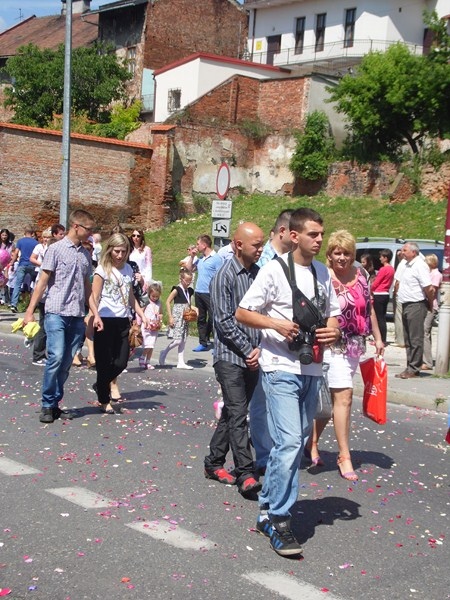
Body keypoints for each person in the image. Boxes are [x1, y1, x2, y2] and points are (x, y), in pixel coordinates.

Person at [236, 207, 341, 557]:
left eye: (321, 234)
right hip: (279, 366)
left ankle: (267, 509)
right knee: (290, 442)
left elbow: (333, 316)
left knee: (294, 446)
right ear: (294, 236)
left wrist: (332, 331)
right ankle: (280, 519)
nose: (320, 239)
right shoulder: (274, 270)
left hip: (311, 368)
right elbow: (242, 312)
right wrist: (276, 324)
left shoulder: (323, 272)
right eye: (313, 234)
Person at [305, 230, 384, 480]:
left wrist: (378, 338)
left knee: (332, 403)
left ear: (353, 255)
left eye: (346, 253)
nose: (342, 257)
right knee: (344, 397)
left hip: (354, 346)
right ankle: (344, 456)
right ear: (329, 255)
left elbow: (369, 308)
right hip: (331, 345)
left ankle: (312, 442)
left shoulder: (361, 275)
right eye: (337, 253)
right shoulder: (323, 277)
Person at [204, 222, 264, 498]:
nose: (260, 249)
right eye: (256, 245)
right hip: (229, 357)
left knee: (232, 412)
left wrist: (260, 348)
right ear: (239, 245)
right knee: (239, 413)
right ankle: (246, 473)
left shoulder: (259, 274)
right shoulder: (224, 276)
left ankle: (213, 462)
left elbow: (264, 313)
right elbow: (223, 321)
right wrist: (248, 350)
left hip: (253, 355)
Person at [23, 209, 95, 423]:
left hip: (76, 314)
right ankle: (46, 404)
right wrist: (29, 311)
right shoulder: (55, 249)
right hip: (56, 311)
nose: (90, 233)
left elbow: (87, 286)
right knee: (55, 356)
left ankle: (55, 403)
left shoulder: (85, 254)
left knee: (65, 363)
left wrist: (95, 312)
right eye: (88, 229)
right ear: (76, 227)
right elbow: (42, 282)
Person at [250, 209, 294, 475]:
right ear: (283, 232)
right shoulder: (264, 262)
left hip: (286, 346)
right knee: (261, 404)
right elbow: (249, 308)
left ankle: (279, 451)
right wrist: (254, 344)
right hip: (262, 343)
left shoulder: (292, 262)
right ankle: (265, 456)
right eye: (295, 233)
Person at [89, 232, 149, 414]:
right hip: (105, 320)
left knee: (122, 362)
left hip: (123, 320)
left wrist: (142, 315)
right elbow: (94, 296)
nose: (120, 255)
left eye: (123, 251)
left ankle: (101, 383)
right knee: (104, 362)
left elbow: (130, 297)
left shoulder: (128, 270)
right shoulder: (102, 270)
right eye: (116, 251)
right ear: (109, 250)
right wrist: (95, 315)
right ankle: (104, 399)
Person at [395, 242, 434, 379]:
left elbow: (428, 287)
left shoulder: (419, 265)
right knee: (408, 339)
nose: (402, 252)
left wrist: (430, 303)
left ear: (414, 252)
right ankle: (409, 366)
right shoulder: (405, 265)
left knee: (415, 338)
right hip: (405, 303)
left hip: (416, 304)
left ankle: (414, 368)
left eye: (405, 250)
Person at [159, 268, 197, 369]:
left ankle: (181, 362)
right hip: (177, 316)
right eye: (187, 281)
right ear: (181, 279)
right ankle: (164, 352)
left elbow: (188, 304)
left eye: (190, 281)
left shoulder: (189, 291)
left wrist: (194, 309)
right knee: (178, 340)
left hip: (185, 316)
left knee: (183, 340)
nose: (188, 283)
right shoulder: (177, 289)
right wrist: (170, 317)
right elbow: (168, 302)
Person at [192, 234, 223, 351]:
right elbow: (189, 269)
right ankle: (203, 342)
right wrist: (192, 256)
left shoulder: (216, 258)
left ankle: (217, 344)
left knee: (213, 318)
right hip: (199, 291)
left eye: (198, 244)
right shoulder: (200, 259)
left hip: (210, 293)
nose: (196, 246)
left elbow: (221, 276)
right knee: (201, 318)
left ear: (204, 245)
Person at [29, 229, 53, 366]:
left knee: (47, 325)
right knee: (44, 325)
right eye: (45, 237)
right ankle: (38, 354)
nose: (46, 239)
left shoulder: (50, 250)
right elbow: (41, 283)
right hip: (44, 294)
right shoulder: (44, 250)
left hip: (49, 294)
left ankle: (44, 352)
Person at [8, 225, 39, 312]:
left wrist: (12, 262)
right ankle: (33, 304)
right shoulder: (36, 243)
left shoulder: (20, 241)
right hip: (32, 265)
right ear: (32, 233)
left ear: (24, 232)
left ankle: (14, 304)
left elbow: (16, 253)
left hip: (22, 264)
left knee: (17, 284)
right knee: (34, 284)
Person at [421, 254, 442, 371]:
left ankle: (427, 361)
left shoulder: (435, 274)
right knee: (424, 332)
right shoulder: (430, 273)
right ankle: (425, 358)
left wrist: (430, 305)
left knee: (425, 332)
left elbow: (432, 291)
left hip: (431, 306)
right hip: (427, 305)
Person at [371, 249, 395, 345]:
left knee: (378, 318)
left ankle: (380, 339)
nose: (380, 258)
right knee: (382, 317)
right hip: (386, 293)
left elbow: (376, 282)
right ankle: (383, 338)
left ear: (385, 258)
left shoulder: (383, 269)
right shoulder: (392, 269)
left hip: (379, 293)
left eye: (381, 257)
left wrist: (370, 289)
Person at [140, 281, 163, 370]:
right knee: (148, 344)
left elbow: (161, 313)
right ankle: (142, 357)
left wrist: (160, 316)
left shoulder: (159, 303)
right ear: (149, 293)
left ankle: (148, 361)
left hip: (154, 326)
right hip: (147, 325)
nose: (155, 298)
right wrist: (144, 319)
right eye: (153, 296)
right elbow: (141, 312)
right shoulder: (146, 301)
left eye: (157, 296)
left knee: (152, 345)